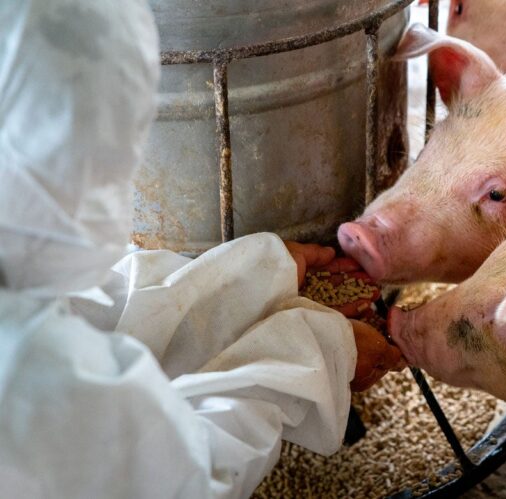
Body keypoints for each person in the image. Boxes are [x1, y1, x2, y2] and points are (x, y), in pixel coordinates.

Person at [0, 1, 403, 498]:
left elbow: (87, 309)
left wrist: (247, 281)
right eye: (95, 164)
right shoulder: (22, 376)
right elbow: (185, 479)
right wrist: (313, 358)